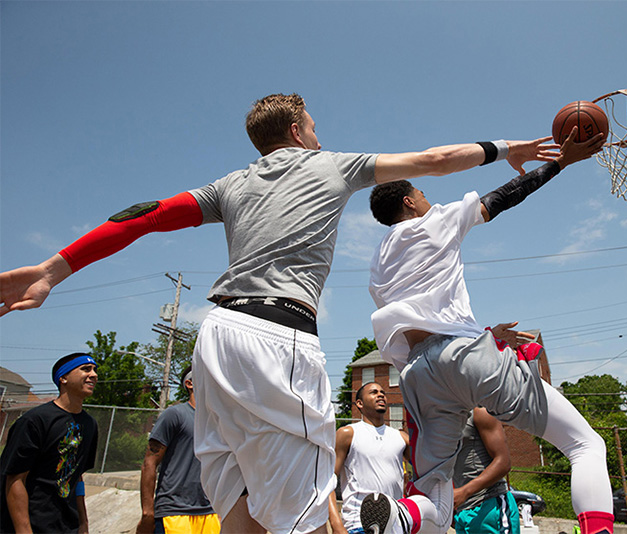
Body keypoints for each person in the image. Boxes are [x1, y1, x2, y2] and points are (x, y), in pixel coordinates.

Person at [0, 92, 561, 534]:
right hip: (278, 337)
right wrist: (504, 148)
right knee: (305, 517)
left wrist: (55, 268)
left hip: (215, 340)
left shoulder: (231, 183)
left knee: (239, 511)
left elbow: (142, 215)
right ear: (298, 132)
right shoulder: (332, 166)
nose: (319, 134)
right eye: (314, 125)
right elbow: (434, 160)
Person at [362, 127, 615, 534]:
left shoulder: (378, 262)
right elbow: (503, 197)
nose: (429, 199)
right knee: (585, 444)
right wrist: (561, 162)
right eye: (422, 195)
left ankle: (404, 514)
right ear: (410, 201)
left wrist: (486, 335)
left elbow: (425, 315)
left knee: (434, 490)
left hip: (418, 374)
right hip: (461, 355)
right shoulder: (435, 222)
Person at [0, 353, 99, 534]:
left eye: (94, 370)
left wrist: (83, 523)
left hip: (67, 526)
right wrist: (24, 530)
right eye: (86, 369)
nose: (94, 374)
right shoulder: (35, 421)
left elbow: (76, 476)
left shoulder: (89, 425)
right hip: (32, 525)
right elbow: (15, 479)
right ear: (63, 378)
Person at [137, 365, 220, 534]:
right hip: (174, 512)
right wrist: (147, 513)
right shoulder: (175, 415)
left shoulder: (218, 421)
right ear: (189, 383)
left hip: (209, 512)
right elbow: (149, 463)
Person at [329, 382, 410, 534]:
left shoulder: (401, 437)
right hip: (358, 525)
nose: (380, 395)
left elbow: (426, 468)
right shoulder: (348, 433)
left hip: (396, 526)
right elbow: (327, 480)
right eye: (373, 392)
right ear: (359, 403)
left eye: (382, 392)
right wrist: (336, 525)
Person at [453, 407, 518, 534]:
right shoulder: (447, 413)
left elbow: (504, 462)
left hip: (490, 505)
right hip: (463, 511)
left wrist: (464, 492)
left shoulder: (480, 410)